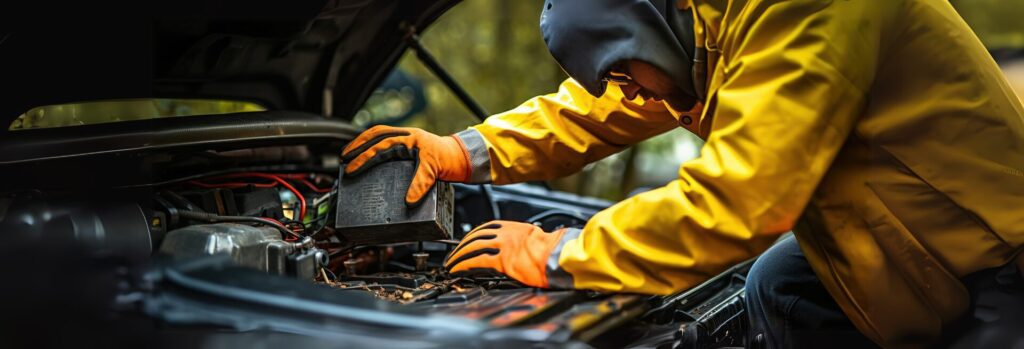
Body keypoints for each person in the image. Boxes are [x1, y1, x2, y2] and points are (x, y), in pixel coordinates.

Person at [341, 0, 1024, 347]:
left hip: (997, 262)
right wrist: (465, 152)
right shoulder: (703, 24)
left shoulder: (799, 10)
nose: (628, 95)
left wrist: (561, 252)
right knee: (779, 285)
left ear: (650, 24)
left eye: (622, 69)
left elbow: (742, 197)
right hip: (897, 238)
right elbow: (599, 106)